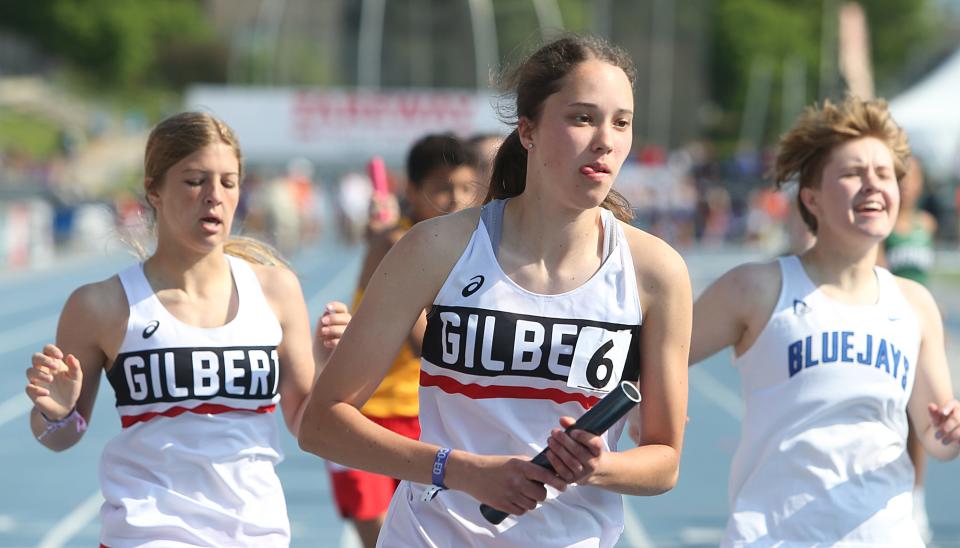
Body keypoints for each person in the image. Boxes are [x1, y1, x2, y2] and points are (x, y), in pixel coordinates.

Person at [299, 34, 691, 547]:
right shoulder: (436, 248)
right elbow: (321, 425)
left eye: (621, 122)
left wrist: (598, 466)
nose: (605, 140)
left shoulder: (656, 272)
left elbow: (664, 461)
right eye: (581, 118)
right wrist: (460, 470)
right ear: (527, 130)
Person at [24, 112, 350, 547]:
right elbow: (61, 438)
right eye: (195, 180)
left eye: (228, 182)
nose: (214, 197)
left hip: (257, 532)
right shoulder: (100, 305)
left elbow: (307, 424)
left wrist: (334, 370)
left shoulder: (275, 289)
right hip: (146, 534)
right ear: (153, 190)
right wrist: (56, 413)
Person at [689, 97, 960, 545]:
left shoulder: (914, 303)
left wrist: (952, 429)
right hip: (774, 537)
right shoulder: (757, 288)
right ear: (811, 198)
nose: (873, 186)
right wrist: (649, 411)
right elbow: (652, 357)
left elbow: (936, 434)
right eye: (853, 173)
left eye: (884, 174)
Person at [324, 133, 479, 548]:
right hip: (363, 414)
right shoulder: (397, 242)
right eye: (443, 187)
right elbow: (423, 346)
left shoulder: (466, 249)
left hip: (423, 421)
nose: (455, 198)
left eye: (466, 187)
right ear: (411, 191)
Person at [880, 156, 938, 542]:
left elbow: (925, 279)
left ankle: (916, 498)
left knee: (922, 419)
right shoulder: (884, 230)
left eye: (914, 179)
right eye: (903, 179)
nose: (909, 186)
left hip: (923, 326)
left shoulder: (927, 226)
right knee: (893, 414)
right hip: (892, 324)